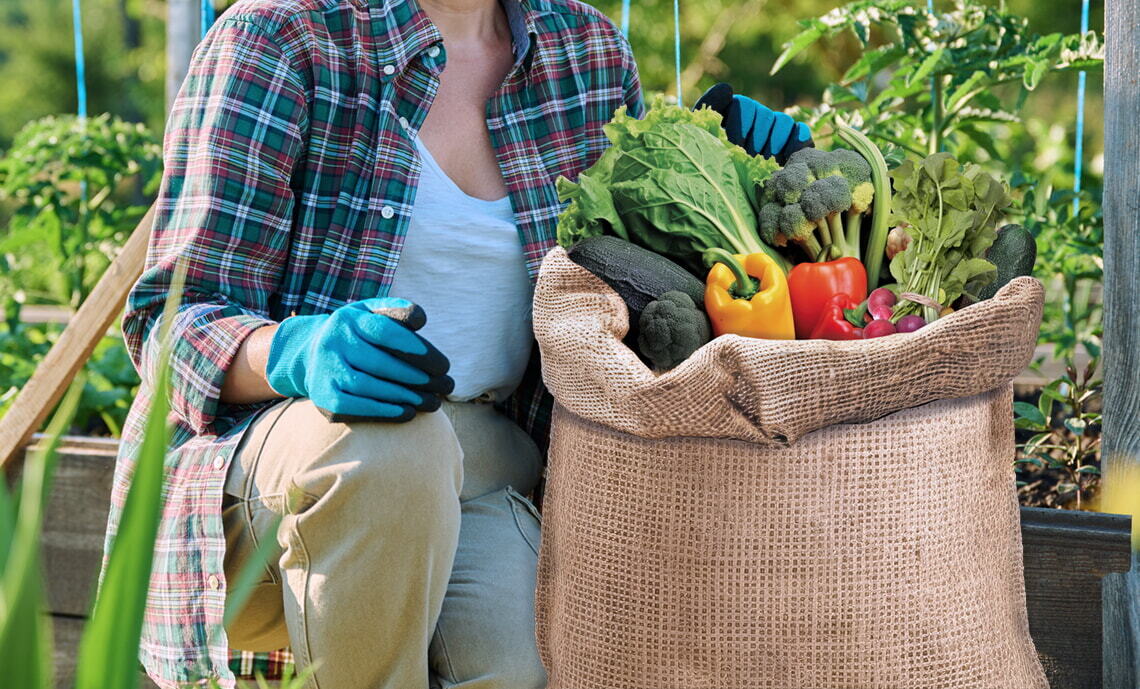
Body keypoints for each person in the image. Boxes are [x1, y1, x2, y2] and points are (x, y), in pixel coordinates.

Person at [100, 0, 812, 687]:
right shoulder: (282, 39)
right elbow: (171, 318)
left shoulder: (585, 53)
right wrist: (295, 352)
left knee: (515, 654)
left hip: (484, 454)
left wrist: (740, 188)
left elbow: (628, 295)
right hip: (270, 458)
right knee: (389, 448)